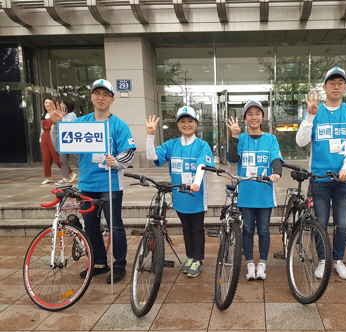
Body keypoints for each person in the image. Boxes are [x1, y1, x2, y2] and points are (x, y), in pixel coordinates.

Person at [48, 79, 136, 283]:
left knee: (115, 226)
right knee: (91, 225)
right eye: (97, 93)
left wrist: (116, 161)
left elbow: (129, 152)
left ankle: (119, 264)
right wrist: (56, 125)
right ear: (91, 97)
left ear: (112, 99)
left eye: (106, 94)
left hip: (111, 185)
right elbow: (61, 147)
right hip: (87, 184)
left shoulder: (119, 125)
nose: (101, 97)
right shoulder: (80, 123)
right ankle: (98, 263)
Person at [296, 67, 346, 280]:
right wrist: (309, 115)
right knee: (320, 221)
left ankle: (338, 260)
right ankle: (323, 260)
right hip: (319, 179)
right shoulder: (315, 111)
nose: (336, 87)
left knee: (342, 223)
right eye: (331, 83)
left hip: (344, 179)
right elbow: (300, 141)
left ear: (345, 87)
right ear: (325, 87)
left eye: (340, 83)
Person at [145, 106, 214, 277]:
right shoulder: (171, 144)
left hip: (195, 196)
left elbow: (202, 165)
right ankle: (190, 257)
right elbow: (151, 156)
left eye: (190, 121)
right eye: (182, 121)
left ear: (196, 123)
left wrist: (197, 182)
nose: (186, 124)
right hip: (179, 196)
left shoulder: (202, 145)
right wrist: (150, 135)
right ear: (178, 124)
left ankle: (198, 260)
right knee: (186, 228)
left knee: (197, 229)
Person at [226, 100, 283, 281]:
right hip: (246, 193)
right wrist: (234, 137)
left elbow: (275, 158)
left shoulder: (271, 139)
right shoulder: (241, 138)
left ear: (262, 117)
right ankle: (250, 263)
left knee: (264, 230)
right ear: (245, 118)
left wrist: (277, 173)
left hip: (264, 193)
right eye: (250, 114)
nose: (254, 117)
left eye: (257, 113)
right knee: (248, 230)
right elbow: (233, 159)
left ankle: (263, 264)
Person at [40, 98, 71, 185]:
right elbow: (41, 128)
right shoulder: (44, 115)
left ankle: (70, 173)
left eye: (49, 102)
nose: (47, 104)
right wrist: (40, 138)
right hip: (44, 137)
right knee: (45, 158)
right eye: (45, 102)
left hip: (52, 136)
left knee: (56, 157)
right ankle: (47, 177)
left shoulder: (56, 113)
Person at [50, 97, 78, 186]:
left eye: (63, 103)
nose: (61, 105)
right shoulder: (61, 114)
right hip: (62, 141)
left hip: (71, 141)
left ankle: (86, 174)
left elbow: (68, 126)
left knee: (76, 159)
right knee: (62, 160)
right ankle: (65, 178)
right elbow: (57, 127)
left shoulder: (72, 114)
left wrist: (62, 117)